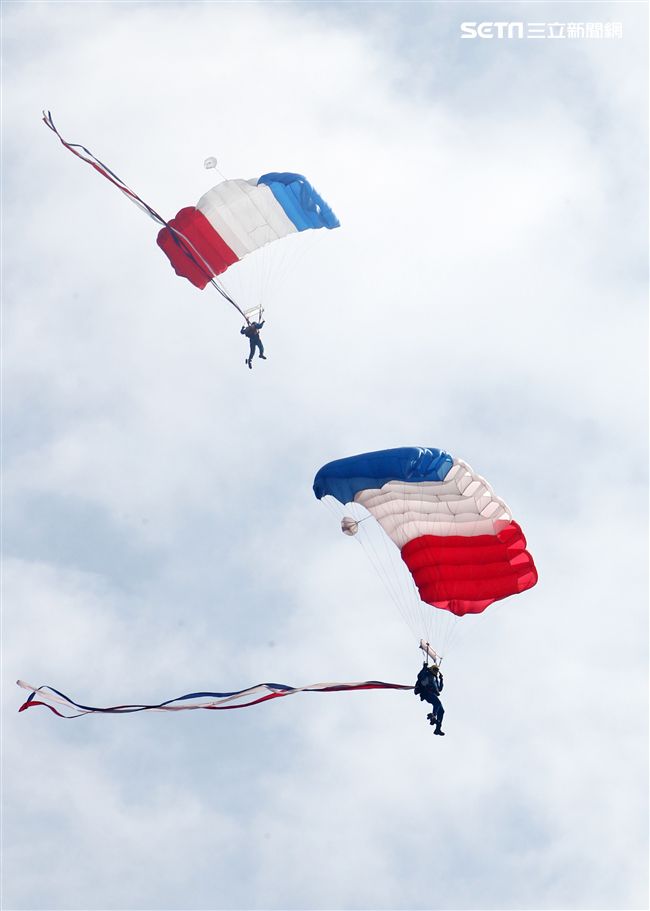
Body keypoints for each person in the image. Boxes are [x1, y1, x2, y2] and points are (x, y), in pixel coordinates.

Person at [414, 662, 445, 735]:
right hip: (426, 693)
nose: (436, 671)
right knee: (437, 703)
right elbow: (419, 676)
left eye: (437, 670)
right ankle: (433, 716)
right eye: (434, 669)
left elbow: (439, 689)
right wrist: (424, 667)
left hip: (433, 694)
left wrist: (441, 679)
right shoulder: (427, 674)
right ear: (431, 669)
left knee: (442, 711)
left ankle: (438, 729)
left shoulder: (435, 679)